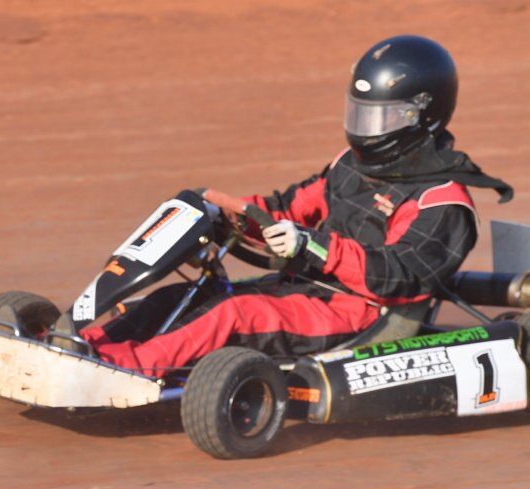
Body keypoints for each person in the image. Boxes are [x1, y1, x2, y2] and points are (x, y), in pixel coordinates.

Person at [79, 35, 514, 377]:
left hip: (360, 317)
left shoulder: (444, 202)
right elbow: (287, 208)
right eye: (363, 115)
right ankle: (82, 342)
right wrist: (227, 212)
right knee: (187, 295)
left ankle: (122, 369)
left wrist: (314, 247)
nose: (367, 131)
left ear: (423, 117)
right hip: (301, 291)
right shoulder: (350, 166)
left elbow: (401, 277)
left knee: (235, 313)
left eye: (383, 119)